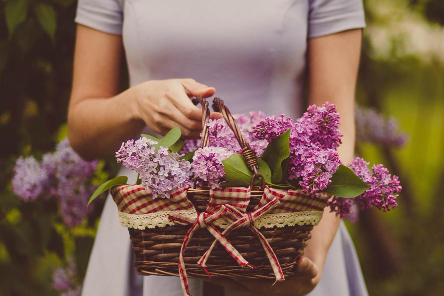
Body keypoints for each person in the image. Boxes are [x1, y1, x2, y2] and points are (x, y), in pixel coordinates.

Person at [68, 0, 368, 295]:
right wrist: (135, 103)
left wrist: (306, 262)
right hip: (155, 224)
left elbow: (335, 130)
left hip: (284, 227)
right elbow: (82, 132)